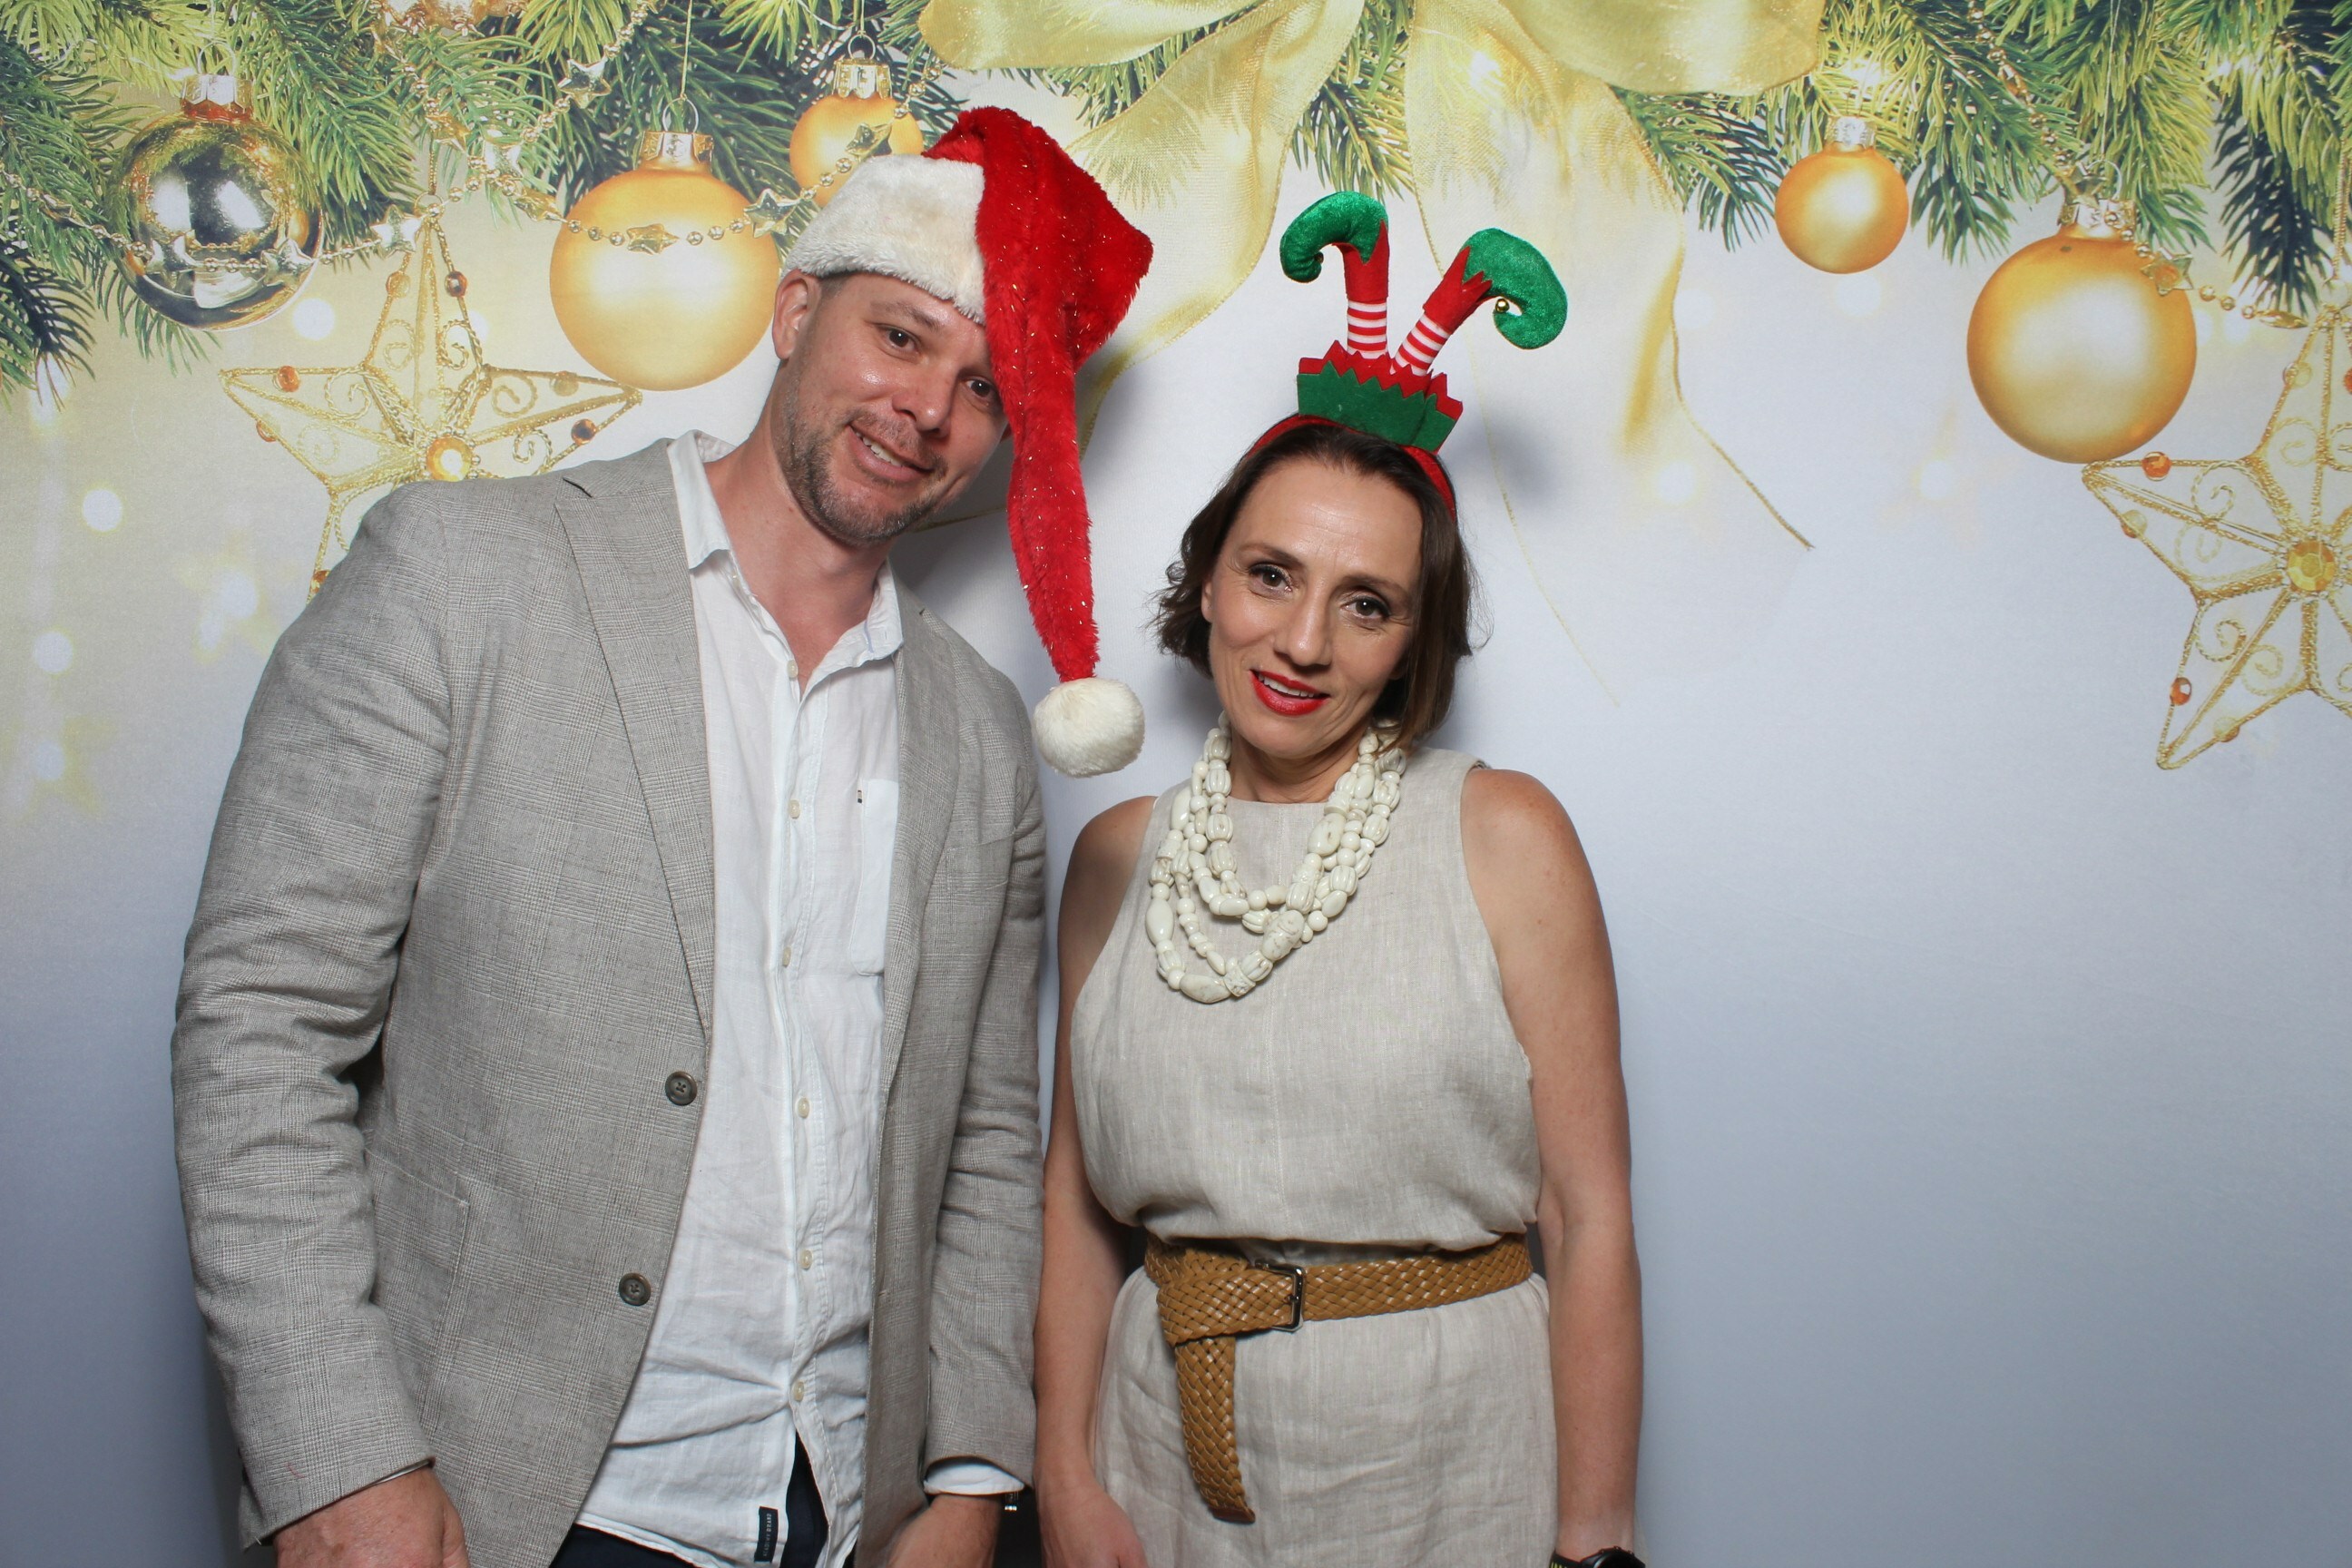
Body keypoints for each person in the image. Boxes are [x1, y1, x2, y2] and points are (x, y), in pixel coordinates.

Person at [172, 109, 1150, 1568]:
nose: (926, 410)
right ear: (796, 312)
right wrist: (339, 1469)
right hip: (500, 1507)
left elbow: (985, 1144)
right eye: (897, 338)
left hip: (843, 1514)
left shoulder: (981, 732)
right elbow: (260, 1026)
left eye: (984, 387)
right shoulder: (464, 574)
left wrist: (967, 1480)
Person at [1032, 194, 1644, 1567]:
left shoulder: (1504, 836)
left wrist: (1596, 1542)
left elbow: (1589, 1216)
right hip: (1151, 1456)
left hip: (1446, 1465)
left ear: (1413, 639)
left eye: (1366, 602)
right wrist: (1062, 1474)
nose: (1303, 640)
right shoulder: (1116, 858)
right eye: (1271, 575)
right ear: (1206, 583)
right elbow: (1077, 1203)